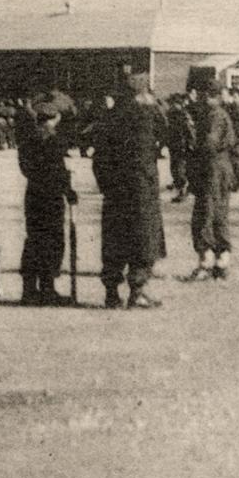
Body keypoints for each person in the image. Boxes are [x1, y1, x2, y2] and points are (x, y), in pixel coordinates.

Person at [94, 73, 166, 307]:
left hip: (115, 193)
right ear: (142, 93)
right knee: (142, 241)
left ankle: (111, 293)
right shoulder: (144, 117)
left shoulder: (108, 118)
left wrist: (107, 186)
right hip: (140, 191)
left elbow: (99, 160)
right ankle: (138, 290)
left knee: (114, 242)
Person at [17, 91, 77, 306]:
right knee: (52, 241)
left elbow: (25, 167)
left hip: (33, 193)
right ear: (56, 117)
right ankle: (47, 288)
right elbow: (59, 171)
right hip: (51, 196)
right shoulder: (55, 139)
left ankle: (28, 288)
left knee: (33, 239)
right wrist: (69, 191)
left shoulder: (28, 138)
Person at [186, 77, 235, 281]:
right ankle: (221, 260)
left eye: (201, 94)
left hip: (212, 168)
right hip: (220, 168)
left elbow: (209, 144)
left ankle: (207, 262)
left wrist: (191, 133)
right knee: (218, 212)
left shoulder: (214, 116)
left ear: (209, 95)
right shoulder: (218, 114)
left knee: (205, 214)